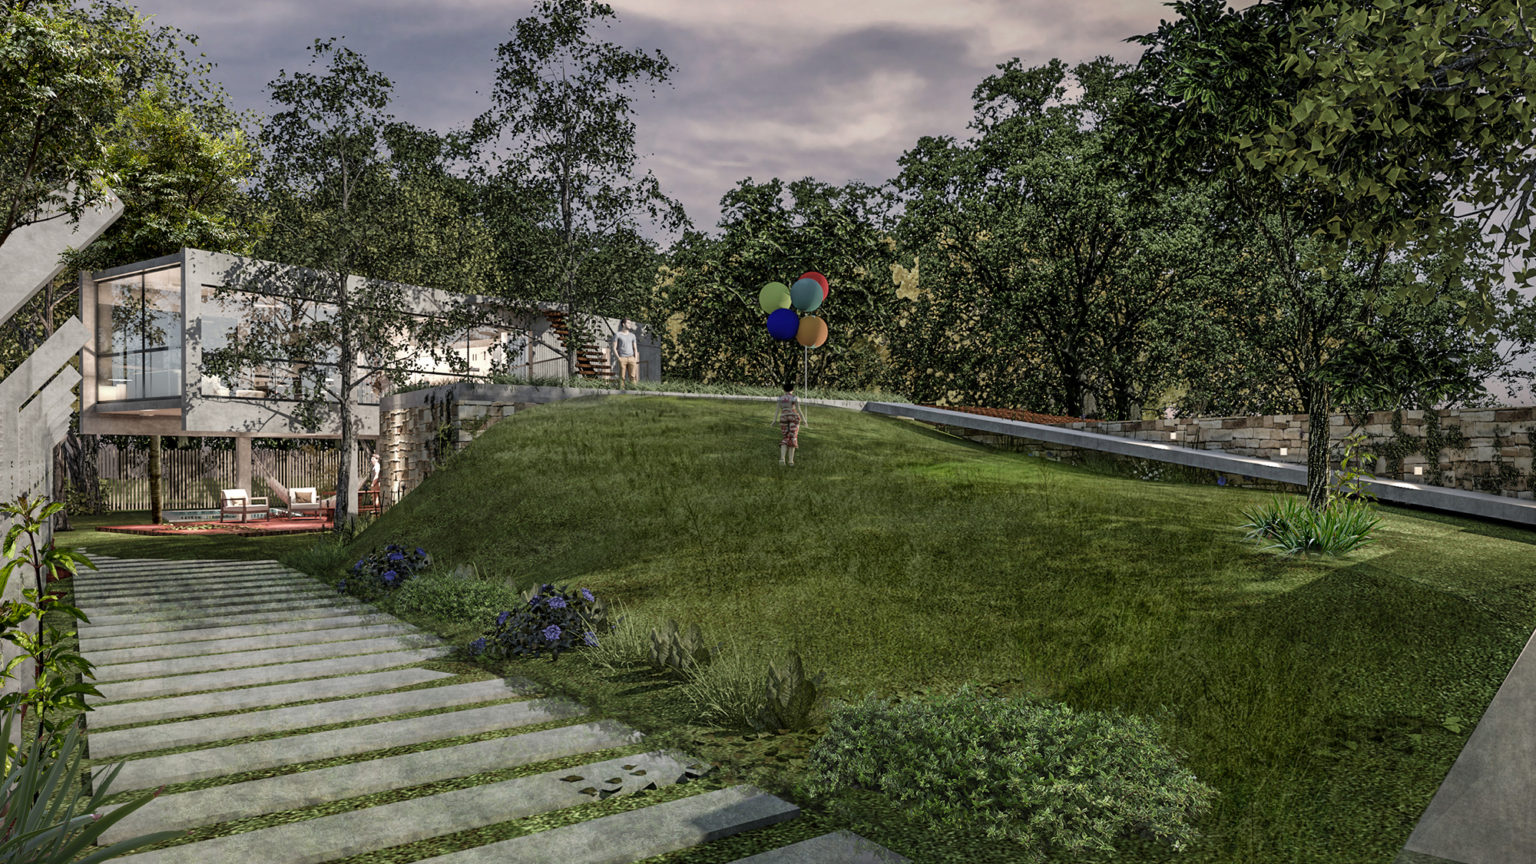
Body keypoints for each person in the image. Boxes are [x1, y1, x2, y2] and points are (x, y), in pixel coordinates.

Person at [771, 381, 808, 466]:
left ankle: (782, 458)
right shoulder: (795, 398)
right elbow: (798, 409)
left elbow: (777, 410)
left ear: (784, 390)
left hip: (783, 417)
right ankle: (791, 461)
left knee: (785, 437)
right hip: (794, 417)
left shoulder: (780, 398)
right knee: (793, 437)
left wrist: (774, 420)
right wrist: (804, 420)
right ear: (793, 389)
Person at [610, 319, 639, 389]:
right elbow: (614, 348)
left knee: (633, 376)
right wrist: (618, 358)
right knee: (622, 377)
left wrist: (635, 359)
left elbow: (635, 348)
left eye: (630, 323)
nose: (630, 324)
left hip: (632, 358)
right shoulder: (618, 335)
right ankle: (621, 390)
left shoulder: (632, 335)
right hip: (622, 358)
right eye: (628, 323)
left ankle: (634, 390)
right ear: (623, 324)